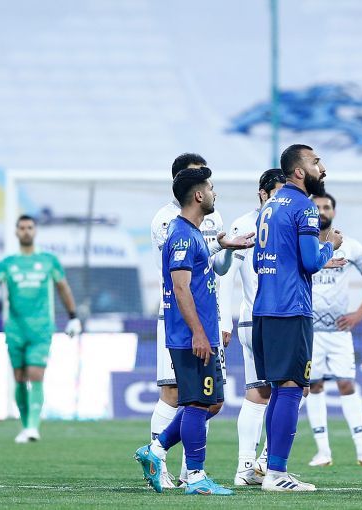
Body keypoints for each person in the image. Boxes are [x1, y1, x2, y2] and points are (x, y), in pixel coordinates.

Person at [135, 166, 250, 496]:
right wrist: (199, 333)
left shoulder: (193, 233)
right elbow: (181, 287)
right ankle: (196, 476)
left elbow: (200, 269)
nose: (214, 194)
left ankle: (156, 450)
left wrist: (225, 246)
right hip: (190, 337)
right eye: (211, 188)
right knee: (199, 403)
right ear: (199, 195)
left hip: (202, 333)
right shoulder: (183, 235)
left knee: (212, 402)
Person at [252, 144, 342, 492]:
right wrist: (330, 244)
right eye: (316, 162)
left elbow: (262, 260)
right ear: (300, 171)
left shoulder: (270, 206)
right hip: (291, 308)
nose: (323, 168)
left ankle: (271, 469)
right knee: (293, 389)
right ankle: (276, 473)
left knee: (280, 389)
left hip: (264, 307)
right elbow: (310, 262)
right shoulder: (305, 207)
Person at [0, 215, 82, 443]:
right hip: (15, 329)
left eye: (30, 227)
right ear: (17, 232)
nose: (26, 231)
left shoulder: (48, 260)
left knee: (35, 374)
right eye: (22, 228)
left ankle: (33, 426)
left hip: (41, 328)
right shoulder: (7, 262)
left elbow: (63, 288)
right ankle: (25, 426)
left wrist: (73, 317)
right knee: (18, 377)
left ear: (35, 231)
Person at [218, 168, 286, 486]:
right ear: (262, 193)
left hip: (269, 318)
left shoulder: (284, 221)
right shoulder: (245, 224)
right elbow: (226, 276)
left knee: (262, 393)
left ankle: (250, 467)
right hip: (260, 318)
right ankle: (258, 463)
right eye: (277, 193)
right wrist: (224, 320)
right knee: (286, 390)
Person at [306, 192, 362, 468]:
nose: (322, 211)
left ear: (334, 212)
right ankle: (322, 451)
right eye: (316, 207)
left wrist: (359, 313)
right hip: (310, 331)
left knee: (346, 384)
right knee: (313, 386)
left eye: (326, 207)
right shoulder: (303, 244)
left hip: (339, 332)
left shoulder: (350, 247)